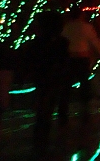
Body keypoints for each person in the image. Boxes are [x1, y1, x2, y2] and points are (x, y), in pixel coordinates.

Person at [59, 7, 100, 124]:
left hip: (69, 58)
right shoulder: (86, 27)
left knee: (66, 85)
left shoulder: (66, 27)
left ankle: (63, 111)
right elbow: (94, 41)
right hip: (82, 58)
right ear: (81, 15)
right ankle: (85, 110)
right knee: (84, 84)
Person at [32, 11, 69, 154]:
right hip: (52, 79)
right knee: (46, 109)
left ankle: (40, 142)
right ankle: (43, 140)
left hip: (45, 78)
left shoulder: (39, 42)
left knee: (43, 109)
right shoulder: (61, 43)